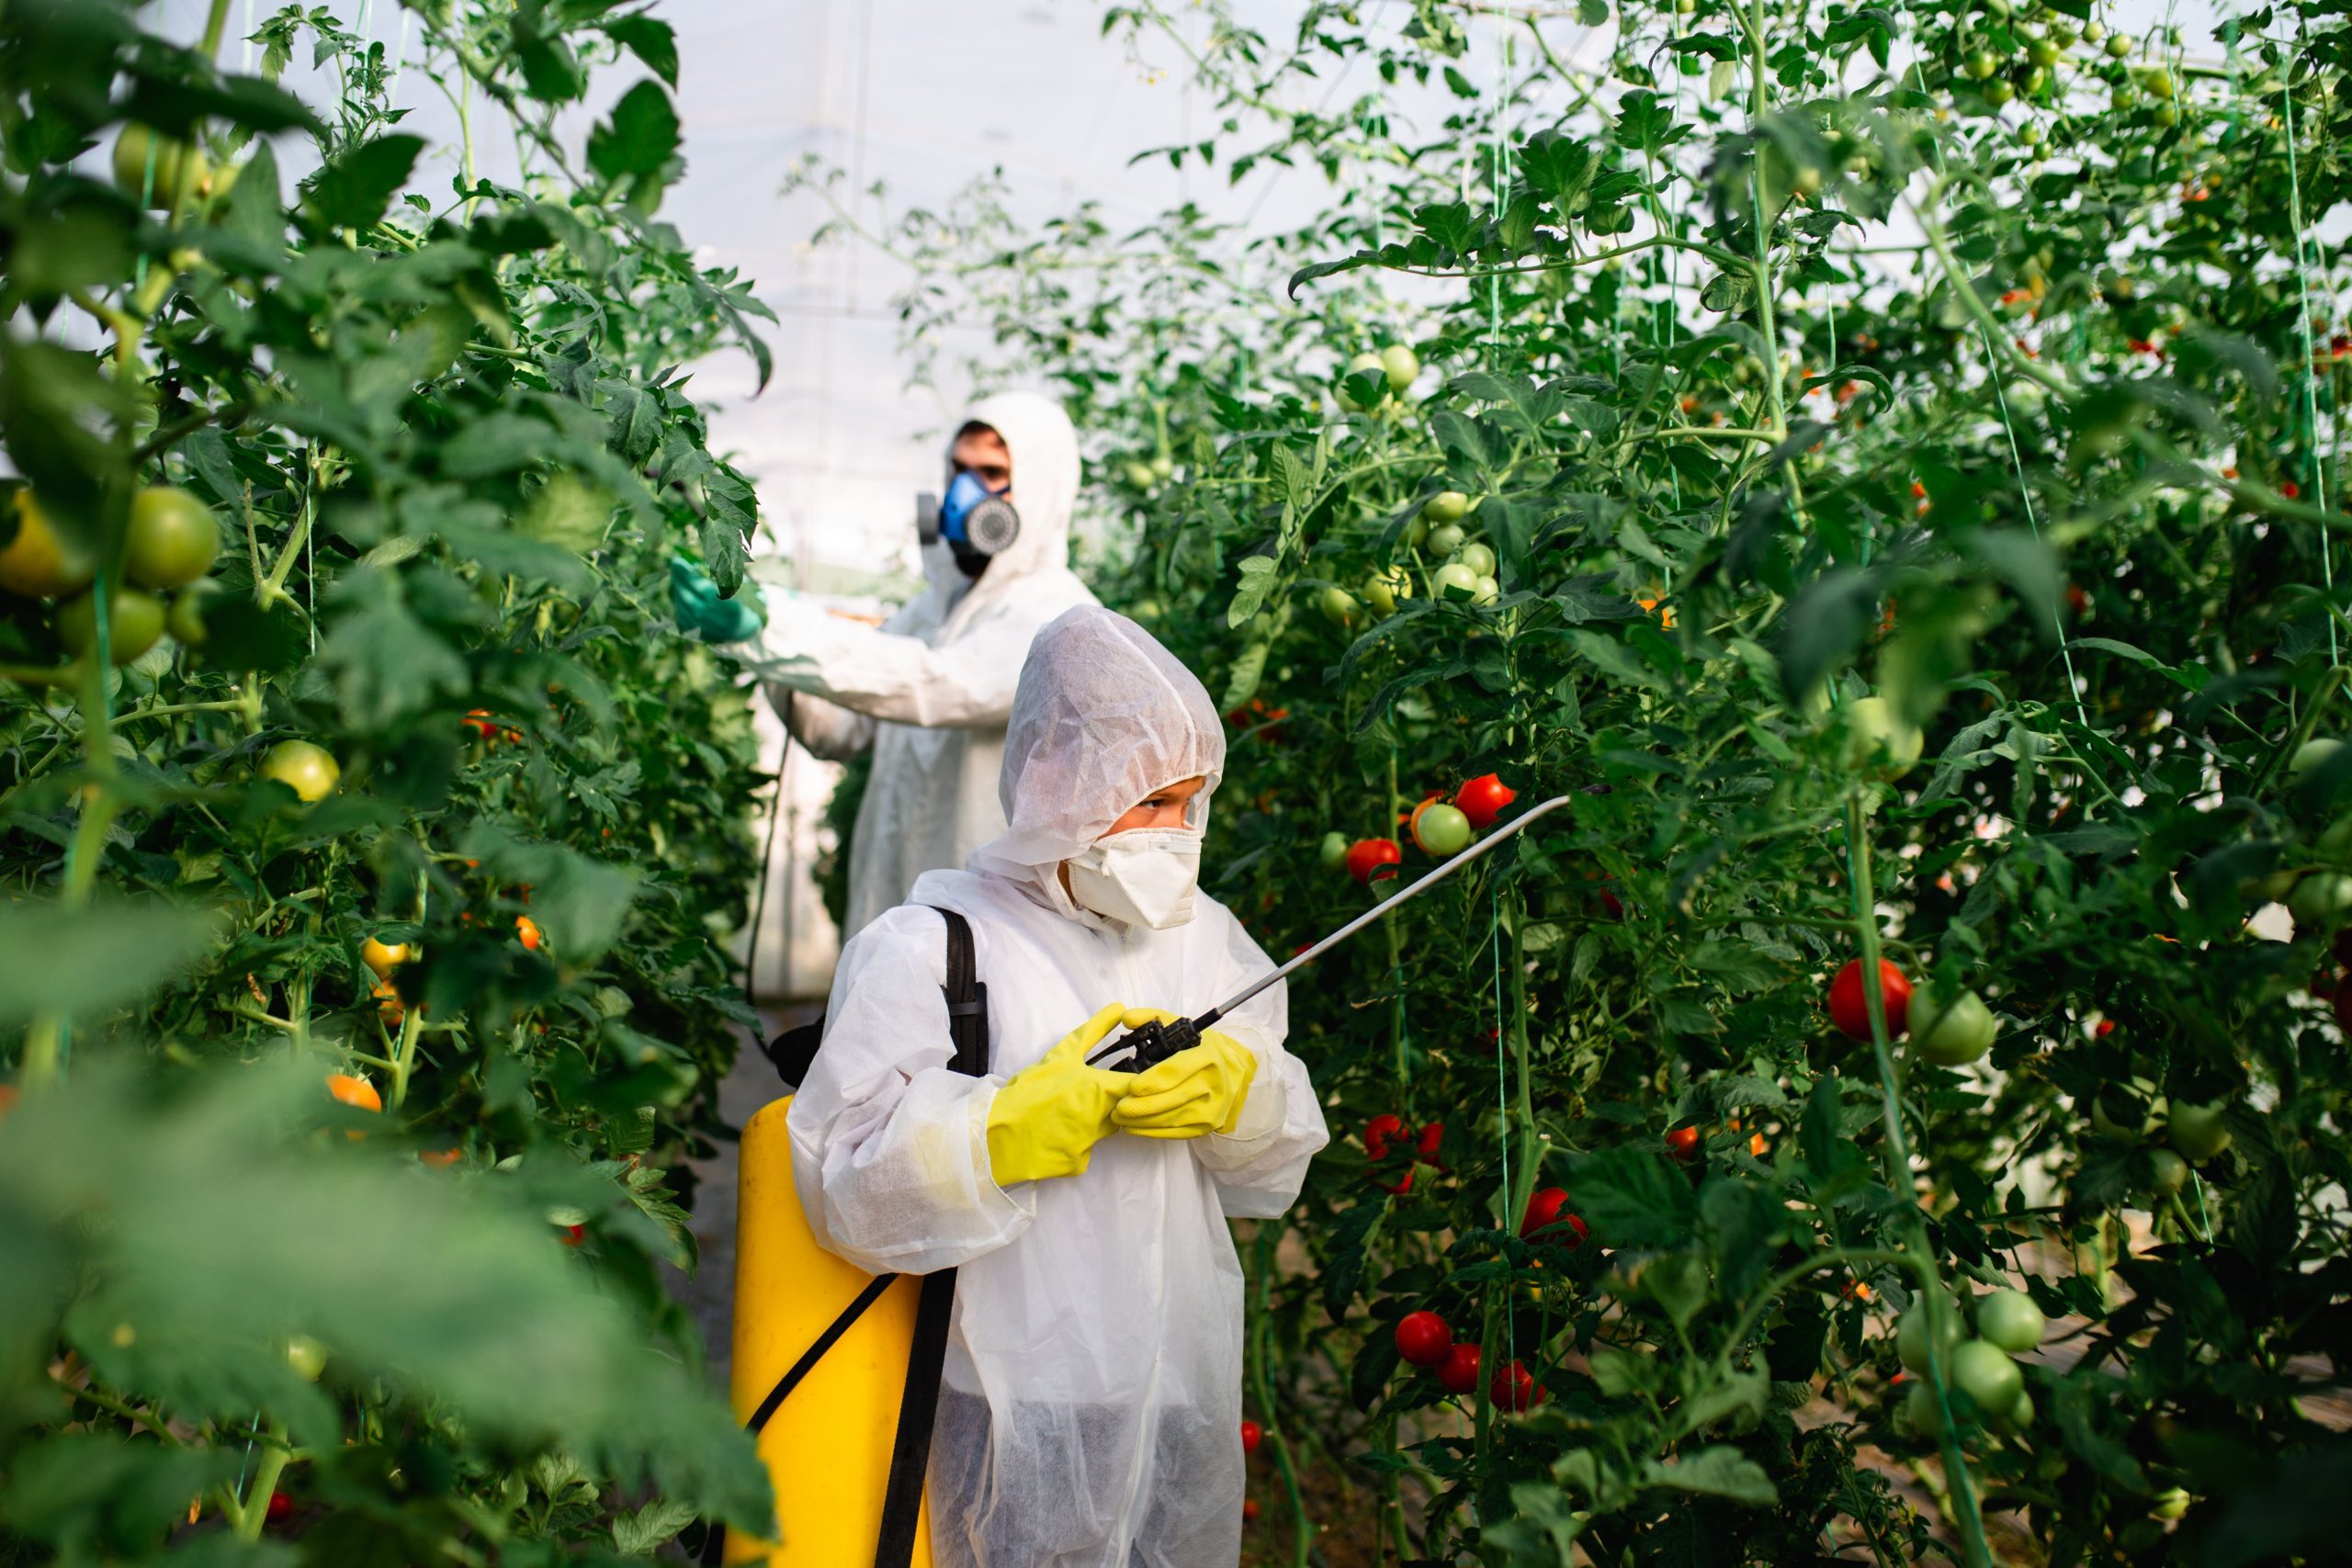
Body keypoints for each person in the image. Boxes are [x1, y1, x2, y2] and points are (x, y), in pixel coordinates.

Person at [787, 605, 1329, 1568]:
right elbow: (843, 1188)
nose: (1174, 835)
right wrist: (991, 1136)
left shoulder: (1204, 940)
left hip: (1169, 1378)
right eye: (1147, 801)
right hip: (1005, 1389)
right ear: (1051, 780)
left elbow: (1276, 1166)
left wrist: (1244, 1097)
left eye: (1188, 803)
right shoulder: (936, 947)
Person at [675, 391, 1098, 937]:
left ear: (1042, 491)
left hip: (989, 932)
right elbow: (842, 730)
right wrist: (772, 650)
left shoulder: (1059, 617)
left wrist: (774, 626)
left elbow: (935, 683)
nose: (963, 494)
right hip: (898, 904)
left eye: (991, 472)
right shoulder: (930, 611)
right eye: (958, 470)